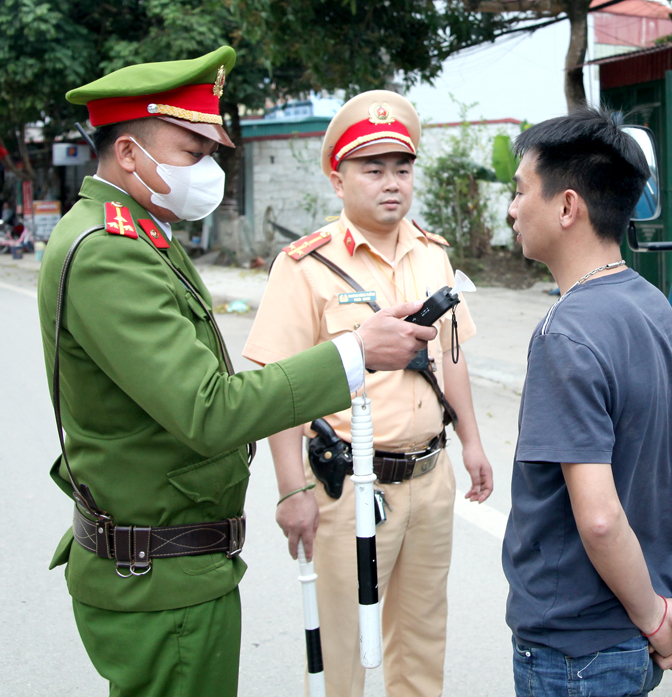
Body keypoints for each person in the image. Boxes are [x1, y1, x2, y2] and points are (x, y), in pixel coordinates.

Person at [37, 48, 437, 697]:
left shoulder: (140, 233)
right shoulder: (109, 252)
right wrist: (354, 352)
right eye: (190, 151)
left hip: (175, 562)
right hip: (161, 581)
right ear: (131, 155)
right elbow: (209, 409)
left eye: (210, 152)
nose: (208, 169)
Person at [243, 90, 493, 697]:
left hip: (430, 480)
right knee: (342, 646)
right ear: (338, 178)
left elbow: (450, 357)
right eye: (372, 169)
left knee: (421, 636)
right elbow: (278, 389)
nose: (391, 184)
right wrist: (290, 490)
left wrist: (473, 443)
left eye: (402, 170)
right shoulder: (304, 266)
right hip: (348, 489)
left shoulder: (433, 255)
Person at [502, 109, 672, 696]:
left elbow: (599, 520)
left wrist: (655, 617)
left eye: (521, 191)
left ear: (567, 206)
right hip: (632, 632)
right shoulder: (655, 307)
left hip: (573, 651)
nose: (512, 209)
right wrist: (661, 602)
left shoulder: (565, 334)